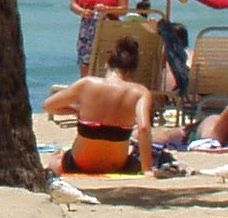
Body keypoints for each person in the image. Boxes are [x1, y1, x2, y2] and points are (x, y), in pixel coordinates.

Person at [43, 36, 154, 175]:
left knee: (56, 158)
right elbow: (144, 129)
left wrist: (75, 111)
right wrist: (147, 169)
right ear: (133, 71)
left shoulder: (86, 84)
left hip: (78, 164)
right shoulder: (140, 92)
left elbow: (48, 106)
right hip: (117, 166)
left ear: (107, 63)